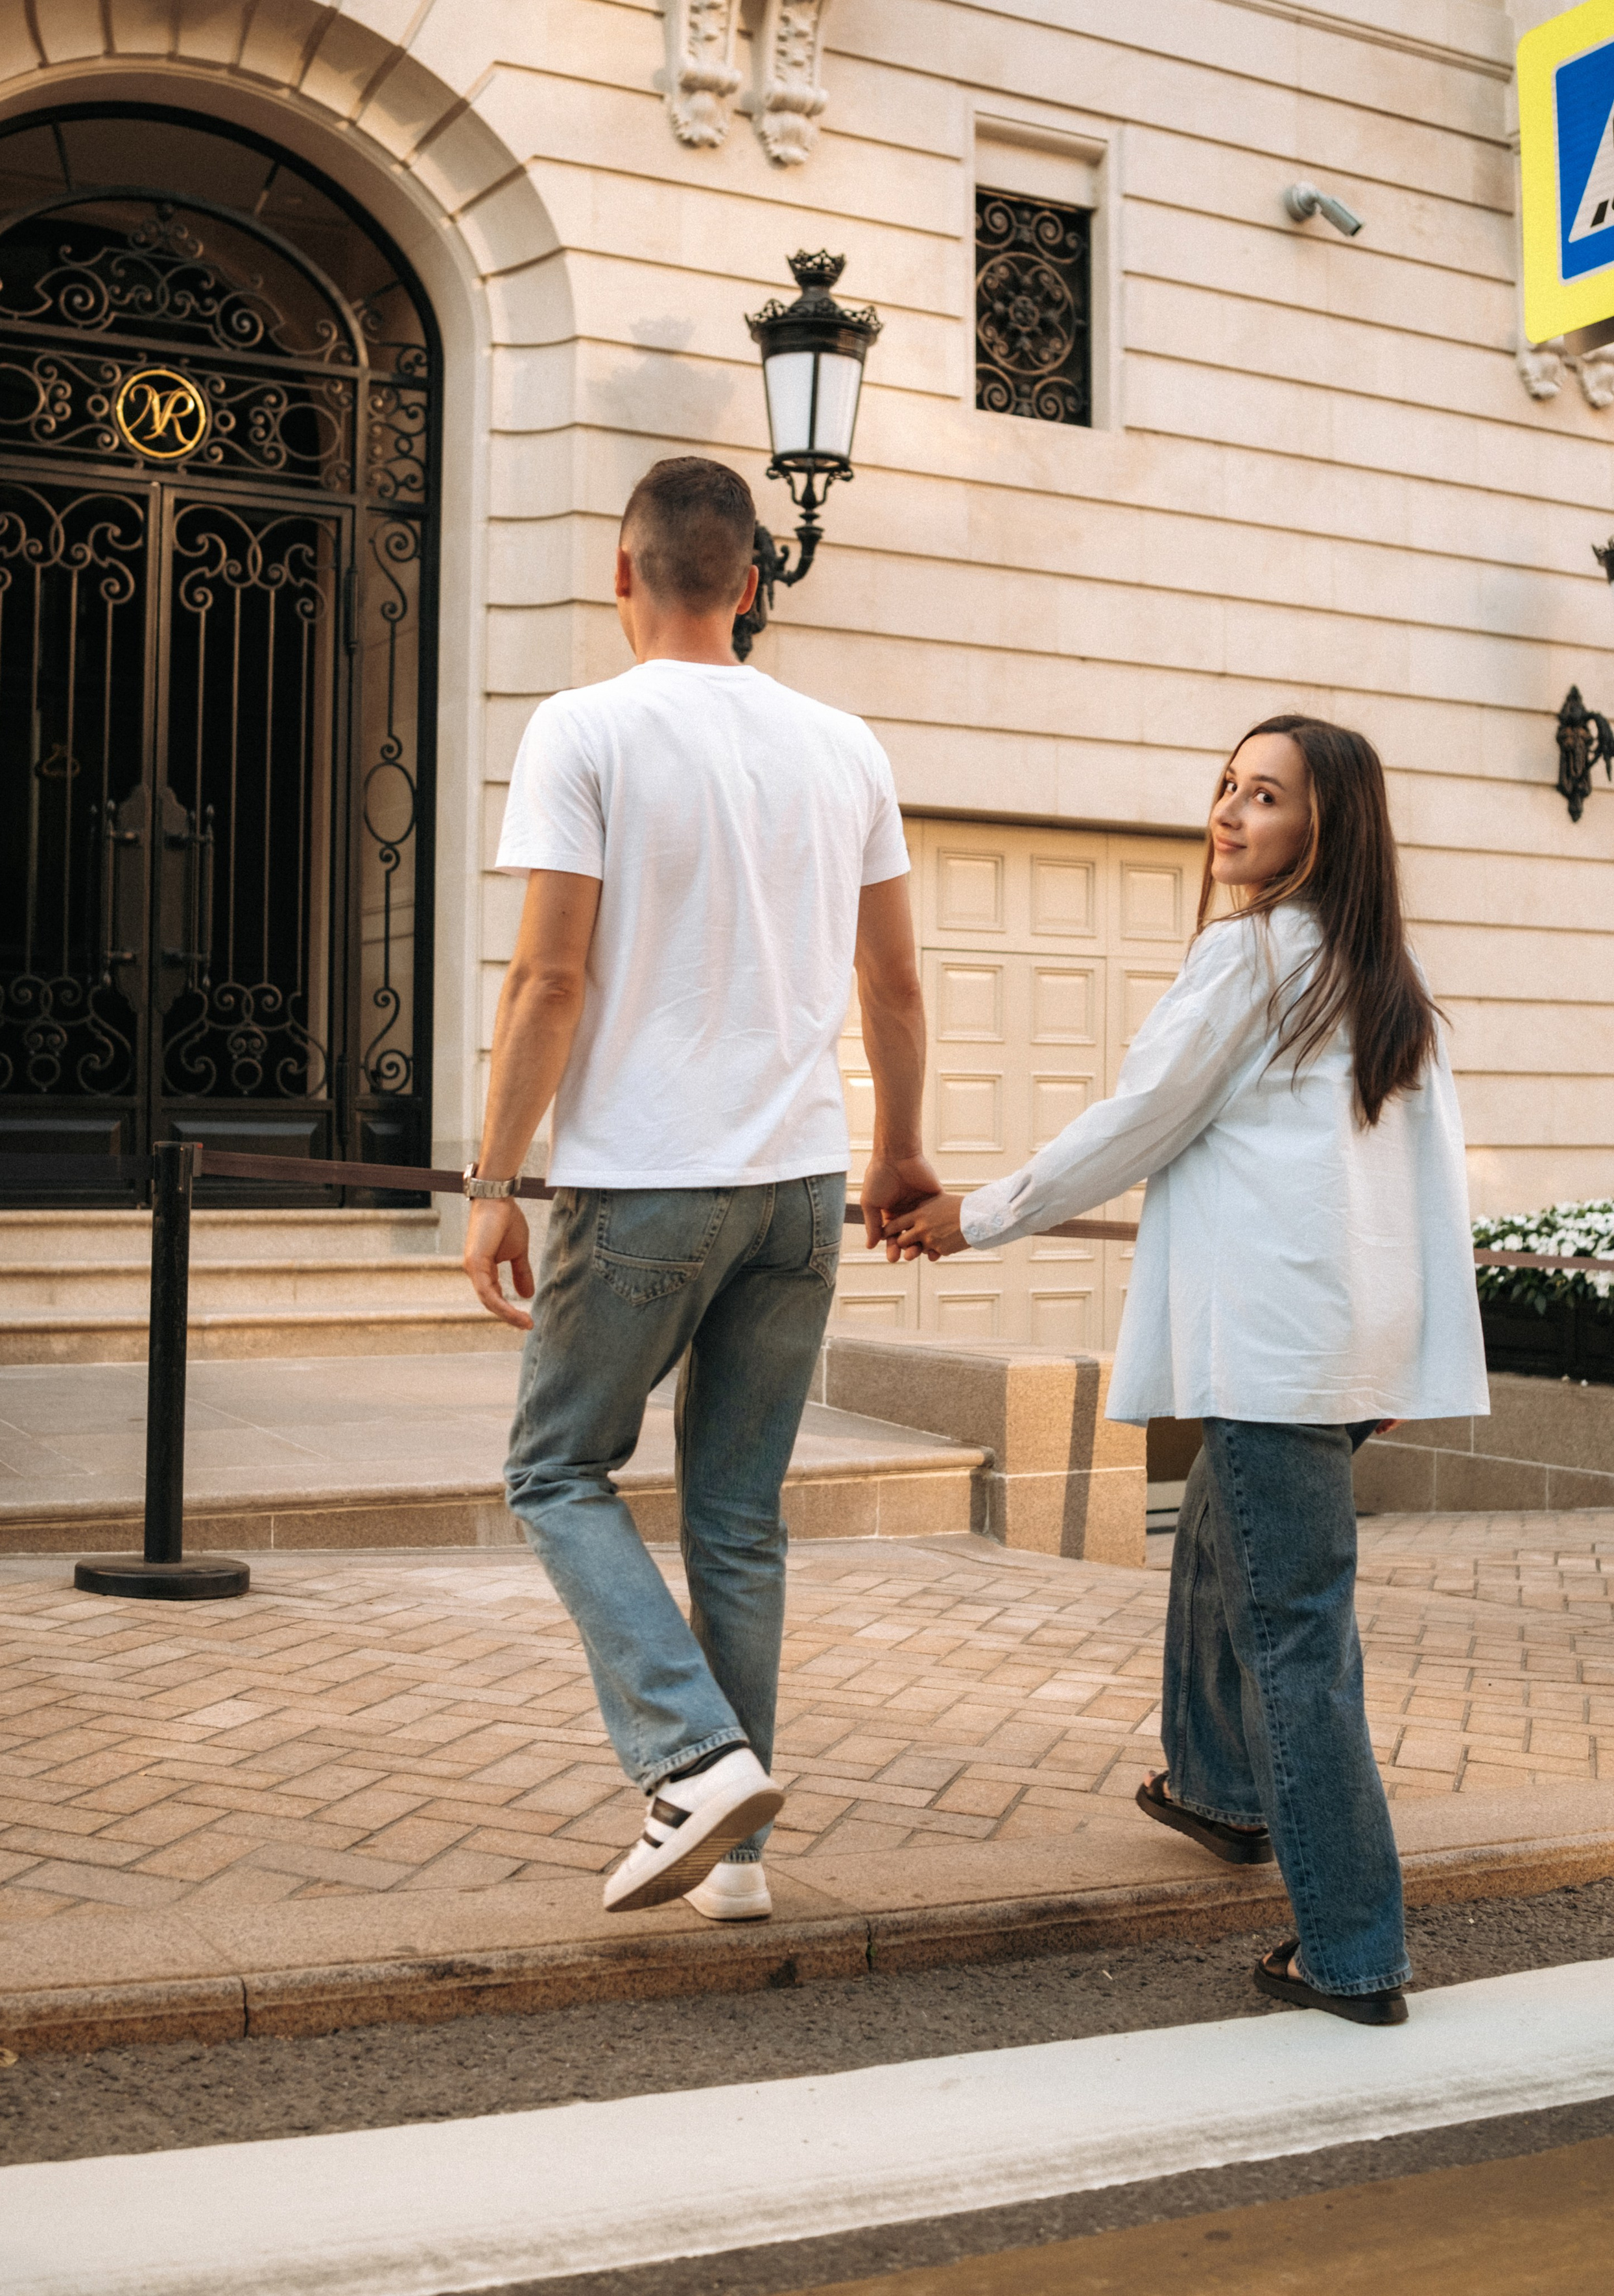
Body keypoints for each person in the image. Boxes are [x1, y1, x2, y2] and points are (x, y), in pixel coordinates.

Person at [883, 715, 1488, 2026]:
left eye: (1262, 798)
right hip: (1337, 1349)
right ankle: (1216, 1785)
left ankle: (1350, 1949)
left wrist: (973, 1213)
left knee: (1295, 1633)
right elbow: (1424, 1186)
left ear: (1322, 830)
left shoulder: (1254, 956)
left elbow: (1138, 1122)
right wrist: (1405, 1350)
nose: (1226, 813)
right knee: (1223, 1539)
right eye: (1224, 787)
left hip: (1275, 1356)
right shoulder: (1381, 977)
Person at [462, 456, 938, 1920]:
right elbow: (895, 984)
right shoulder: (843, 743)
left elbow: (551, 977)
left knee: (554, 1468)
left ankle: (692, 1757)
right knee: (737, 1516)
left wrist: (492, 1181)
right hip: (796, 1185)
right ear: (750, 582)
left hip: (647, 1179)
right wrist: (897, 1152)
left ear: (620, 574)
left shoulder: (584, 728)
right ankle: (736, 1857)